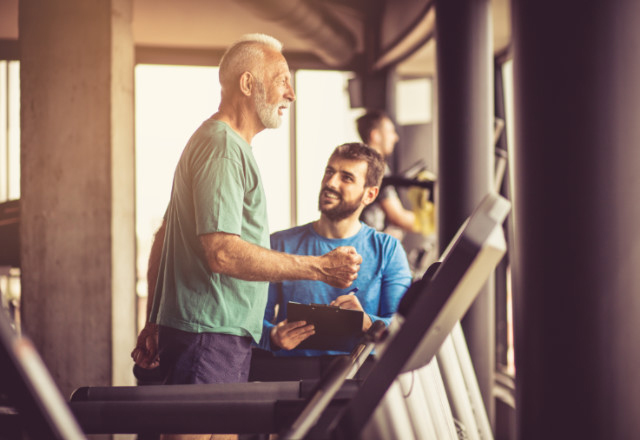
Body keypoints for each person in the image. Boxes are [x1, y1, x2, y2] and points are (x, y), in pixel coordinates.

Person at [130, 34, 362, 440]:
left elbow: (163, 237)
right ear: (248, 83)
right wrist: (320, 268)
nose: (290, 93)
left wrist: (155, 319)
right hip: (209, 337)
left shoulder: (220, 145)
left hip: (210, 335)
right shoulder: (222, 147)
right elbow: (221, 253)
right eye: (282, 80)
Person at [258, 143, 412, 358]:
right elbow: (251, 322)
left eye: (346, 177)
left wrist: (365, 322)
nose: (330, 182)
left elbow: (401, 328)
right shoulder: (279, 244)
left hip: (359, 378)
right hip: (289, 376)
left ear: (370, 195)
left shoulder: (388, 250)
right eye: (329, 172)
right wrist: (273, 336)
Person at [356, 110, 418, 238]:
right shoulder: (376, 167)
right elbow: (398, 217)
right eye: (390, 132)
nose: (395, 138)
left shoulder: (364, 163)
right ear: (376, 135)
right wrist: (434, 222)